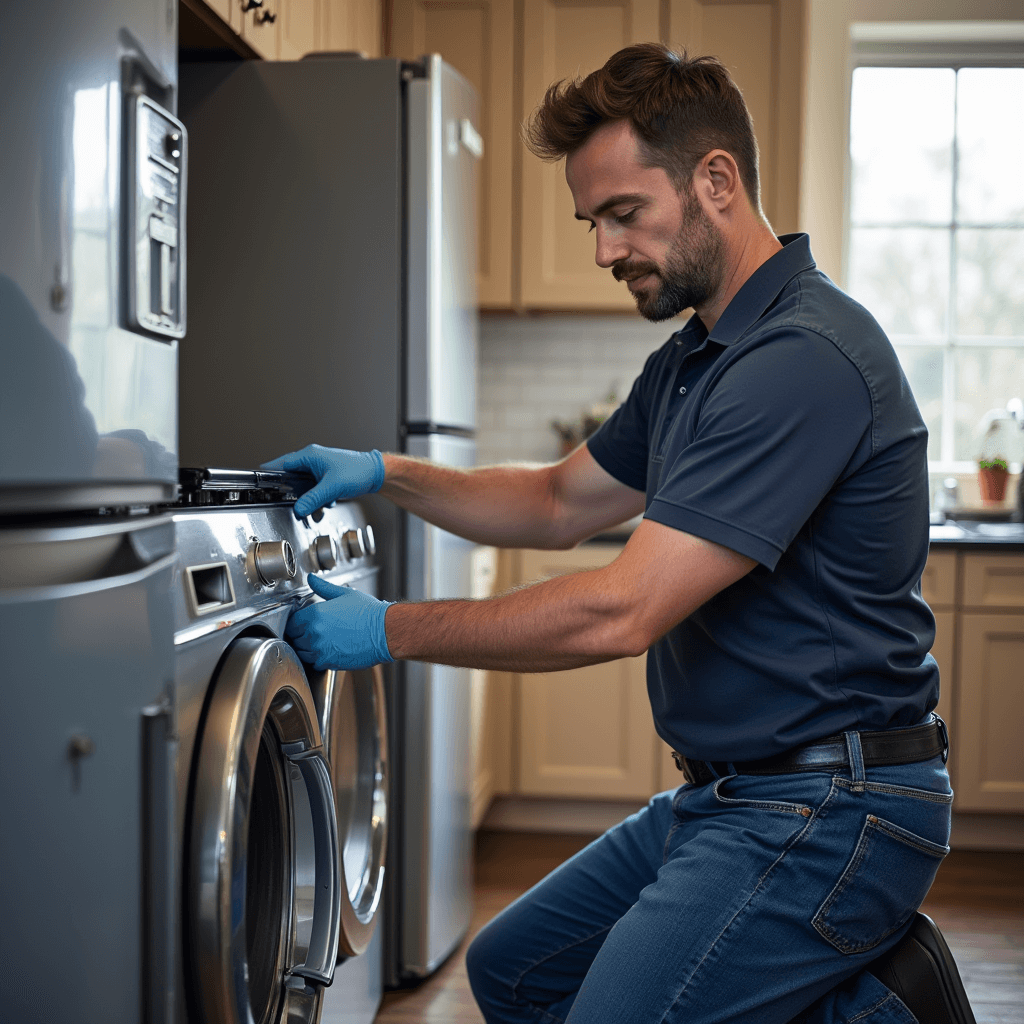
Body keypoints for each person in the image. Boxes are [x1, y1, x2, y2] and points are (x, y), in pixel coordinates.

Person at [264, 44, 976, 1024]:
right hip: (731, 797)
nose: (602, 250)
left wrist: (388, 629)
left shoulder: (797, 357)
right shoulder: (696, 357)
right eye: (589, 221)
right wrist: (388, 473)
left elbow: (621, 606)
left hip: (831, 805)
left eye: (622, 214)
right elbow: (559, 501)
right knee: (514, 969)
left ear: (714, 181)